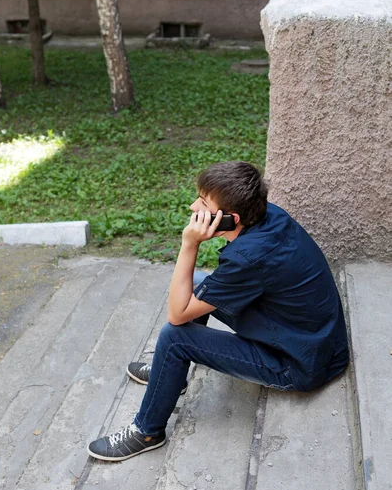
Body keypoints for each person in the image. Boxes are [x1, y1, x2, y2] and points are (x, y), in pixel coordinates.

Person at [87, 161, 349, 462]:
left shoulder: (248, 258)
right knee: (197, 283)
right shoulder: (268, 214)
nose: (192, 206)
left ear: (229, 218)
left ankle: (147, 431)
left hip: (299, 363)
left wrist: (189, 244)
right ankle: (169, 376)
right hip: (311, 337)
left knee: (175, 336)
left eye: (202, 202)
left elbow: (176, 314)